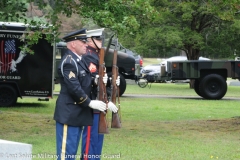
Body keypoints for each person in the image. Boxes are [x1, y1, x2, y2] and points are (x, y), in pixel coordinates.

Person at [53, 28, 108, 160]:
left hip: (77, 114)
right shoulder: (69, 62)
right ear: (73, 44)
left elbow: (85, 81)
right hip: (69, 113)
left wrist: (98, 80)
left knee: (72, 152)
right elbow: (74, 88)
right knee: (67, 154)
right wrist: (89, 102)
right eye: (83, 42)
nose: (86, 44)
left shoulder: (79, 60)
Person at [81, 28, 119, 160]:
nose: (101, 41)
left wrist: (112, 81)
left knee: (97, 140)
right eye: (97, 39)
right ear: (90, 41)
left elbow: (102, 80)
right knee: (91, 139)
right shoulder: (88, 56)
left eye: (101, 39)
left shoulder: (97, 55)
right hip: (93, 102)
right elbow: (92, 79)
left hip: (100, 102)